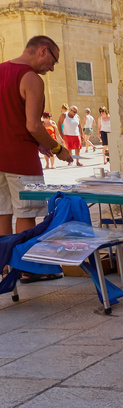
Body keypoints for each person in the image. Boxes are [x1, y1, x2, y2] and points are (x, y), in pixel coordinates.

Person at [0, 35, 72, 281]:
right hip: (19, 158)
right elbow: (33, 125)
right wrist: (57, 148)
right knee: (26, 212)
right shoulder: (31, 78)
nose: (51, 68)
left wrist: (39, 143)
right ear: (43, 51)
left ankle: (5, 265)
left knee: (2, 212)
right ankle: (28, 269)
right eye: (53, 61)